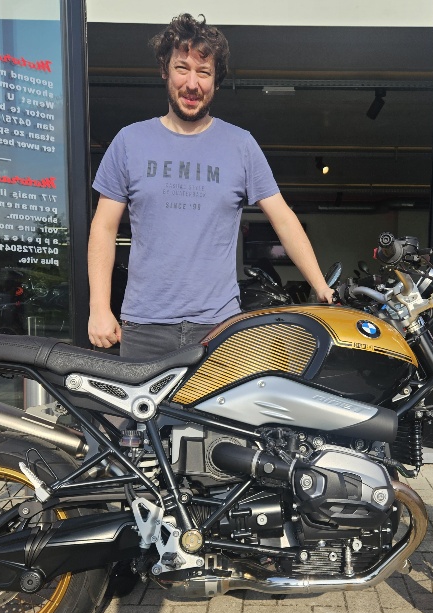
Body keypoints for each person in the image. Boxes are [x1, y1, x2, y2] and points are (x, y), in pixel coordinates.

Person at [87, 13, 334, 359]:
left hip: (218, 329)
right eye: (182, 68)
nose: (192, 84)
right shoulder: (129, 141)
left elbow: (283, 219)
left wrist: (320, 286)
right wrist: (99, 307)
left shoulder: (241, 145)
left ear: (216, 81)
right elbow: (103, 227)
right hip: (145, 328)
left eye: (203, 72)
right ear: (164, 70)